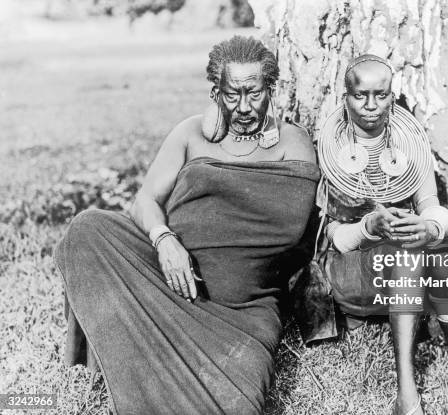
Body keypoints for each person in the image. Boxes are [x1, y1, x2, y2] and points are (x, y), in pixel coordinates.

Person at [54, 35, 319, 415]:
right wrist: (165, 240)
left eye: (254, 93)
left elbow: (293, 236)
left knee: (233, 407)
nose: (244, 107)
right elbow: (144, 200)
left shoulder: (292, 144)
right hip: (167, 278)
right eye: (232, 94)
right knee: (88, 229)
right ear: (216, 92)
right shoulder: (190, 134)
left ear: (270, 89)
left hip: (242, 310)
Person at [315, 54, 448, 415]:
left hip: (405, 267)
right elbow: (331, 236)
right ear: (345, 96)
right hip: (350, 268)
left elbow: (433, 207)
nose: (371, 105)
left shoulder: (410, 143)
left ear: (393, 95)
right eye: (361, 95)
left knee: (440, 252)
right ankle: (407, 395)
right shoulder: (330, 147)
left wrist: (428, 226)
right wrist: (369, 226)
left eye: (381, 94)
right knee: (408, 254)